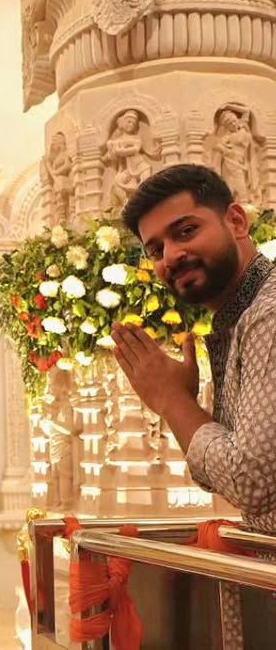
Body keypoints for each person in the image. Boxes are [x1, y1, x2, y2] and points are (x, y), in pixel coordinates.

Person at [114, 163, 276, 534]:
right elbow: (232, 477)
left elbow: (252, 484)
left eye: (186, 231)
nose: (171, 256)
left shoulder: (268, 314)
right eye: (156, 249)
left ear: (236, 221)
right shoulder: (242, 315)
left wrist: (173, 401)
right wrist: (179, 403)